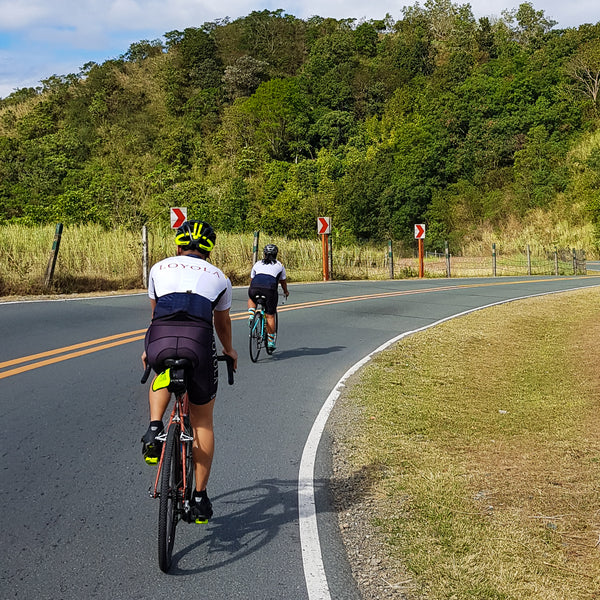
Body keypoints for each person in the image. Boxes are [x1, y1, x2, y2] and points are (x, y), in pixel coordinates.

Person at [140, 220, 238, 522]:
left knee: (162, 374)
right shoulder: (220, 277)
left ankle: (155, 427)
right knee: (203, 421)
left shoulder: (158, 268)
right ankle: (198, 497)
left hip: (160, 339)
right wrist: (229, 350)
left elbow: (157, 314)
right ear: (209, 250)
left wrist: (149, 350)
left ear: (179, 244)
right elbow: (221, 323)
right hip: (197, 343)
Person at [247, 244, 289, 350]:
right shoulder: (279, 265)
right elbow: (283, 281)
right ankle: (270, 342)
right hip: (269, 291)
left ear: (264, 254)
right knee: (270, 316)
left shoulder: (257, 263)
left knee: (252, 298)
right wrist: (285, 292)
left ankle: (252, 314)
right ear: (276, 254)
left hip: (254, 287)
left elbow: (252, 279)